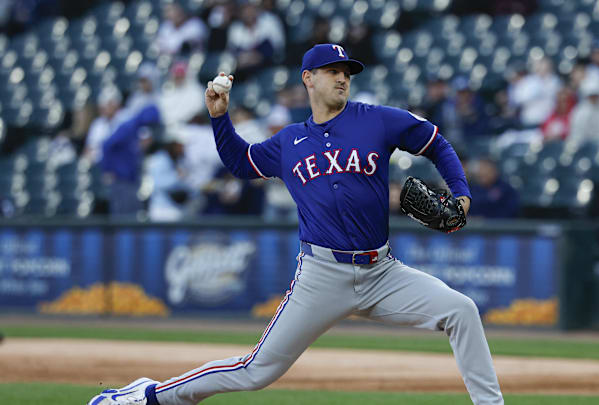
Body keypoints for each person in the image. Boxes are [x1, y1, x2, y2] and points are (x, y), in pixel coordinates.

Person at [87, 43, 503, 405]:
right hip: (322, 274)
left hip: (382, 272)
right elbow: (240, 162)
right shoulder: (289, 141)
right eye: (333, 72)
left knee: (461, 310)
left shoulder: (377, 119)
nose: (343, 78)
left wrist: (461, 191)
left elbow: (436, 143)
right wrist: (219, 118)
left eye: (347, 73)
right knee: (255, 371)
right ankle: (150, 396)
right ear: (308, 78)